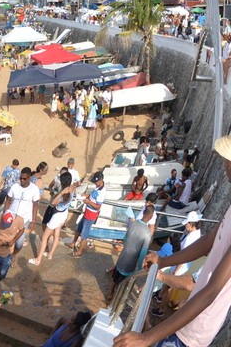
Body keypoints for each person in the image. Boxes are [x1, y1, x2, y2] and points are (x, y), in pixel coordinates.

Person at [114, 132, 231, 347]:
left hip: (196, 329)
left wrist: (147, 337)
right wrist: (164, 260)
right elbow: (209, 241)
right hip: (189, 317)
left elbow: (212, 291)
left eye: (228, 160)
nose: (225, 164)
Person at [107, 206, 155, 301]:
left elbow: (125, 239)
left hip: (123, 256)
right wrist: (140, 268)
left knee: (115, 278)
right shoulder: (147, 233)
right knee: (125, 282)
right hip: (131, 261)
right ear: (151, 217)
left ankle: (111, 293)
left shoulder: (133, 223)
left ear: (143, 213)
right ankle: (117, 298)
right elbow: (143, 252)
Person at [30, 170, 75, 266]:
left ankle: (38, 259)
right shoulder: (72, 188)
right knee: (57, 235)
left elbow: (53, 202)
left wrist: (61, 193)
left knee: (44, 237)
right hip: (64, 213)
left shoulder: (64, 193)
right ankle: (50, 254)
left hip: (57, 215)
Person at [5, 166, 41, 256]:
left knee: (19, 243)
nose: (22, 180)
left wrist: (33, 222)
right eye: (20, 178)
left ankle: (14, 255)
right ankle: (7, 257)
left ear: (29, 178)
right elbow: (8, 200)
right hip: (11, 218)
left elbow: (35, 206)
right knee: (7, 239)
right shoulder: (15, 186)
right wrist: (5, 214)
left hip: (24, 220)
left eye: (24, 178)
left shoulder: (34, 189)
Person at [0, 211, 25, 283]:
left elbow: (22, 229)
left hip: (8, 253)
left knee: (2, 273)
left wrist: (13, 240)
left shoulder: (19, 220)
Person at [72, 172, 104, 258]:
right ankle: (73, 243)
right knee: (79, 228)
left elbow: (98, 206)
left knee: (84, 234)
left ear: (100, 180)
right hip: (87, 212)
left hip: (91, 215)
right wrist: (87, 195)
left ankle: (79, 251)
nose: (95, 183)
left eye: (96, 182)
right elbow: (93, 196)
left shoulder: (101, 192)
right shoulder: (97, 188)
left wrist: (88, 202)